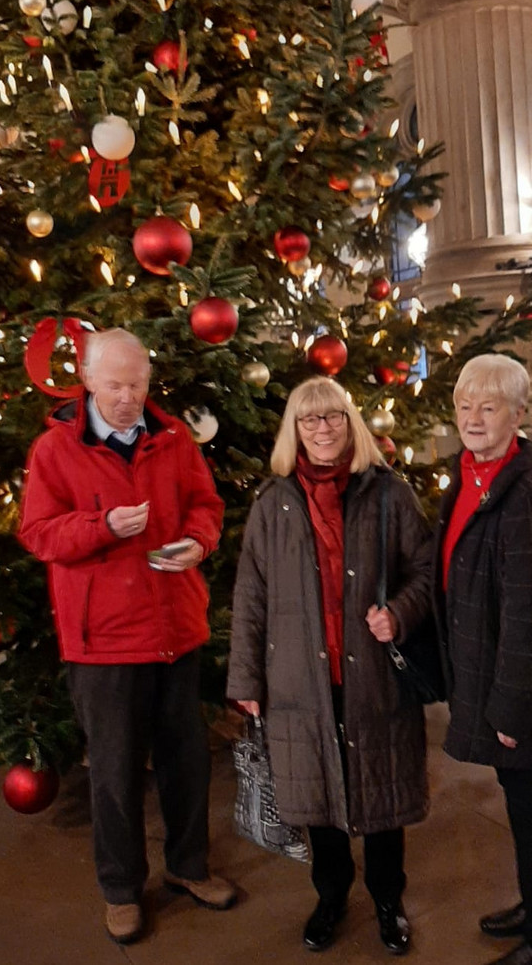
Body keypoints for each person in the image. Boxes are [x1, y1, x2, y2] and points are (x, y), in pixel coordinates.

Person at [19, 327, 236, 945]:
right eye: (114, 385)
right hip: (104, 643)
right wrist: (103, 526)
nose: (127, 397)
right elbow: (39, 533)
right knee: (114, 775)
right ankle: (121, 889)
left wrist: (198, 542)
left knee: (186, 762)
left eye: (137, 384)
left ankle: (189, 867)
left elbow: (206, 504)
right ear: (87, 380)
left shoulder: (173, 439)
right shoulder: (54, 450)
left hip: (175, 629)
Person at [227, 375, 432, 955]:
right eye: (310, 419)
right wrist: (245, 679)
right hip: (298, 679)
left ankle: (388, 899)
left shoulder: (389, 494)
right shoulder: (271, 504)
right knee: (316, 792)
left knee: (382, 791)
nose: (323, 428)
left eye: (334, 416)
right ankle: (331, 895)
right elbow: (251, 596)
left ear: (351, 423)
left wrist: (400, 612)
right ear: (295, 429)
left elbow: (424, 570)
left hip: (374, 675)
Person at [433, 353, 532, 965]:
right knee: (519, 804)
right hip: (487, 674)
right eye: (464, 406)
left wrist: (510, 706)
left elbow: (526, 614)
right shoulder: (470, 473)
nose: (472, 418)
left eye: (488, 407)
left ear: (518, 415)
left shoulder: (524, 493)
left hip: (517, 688)